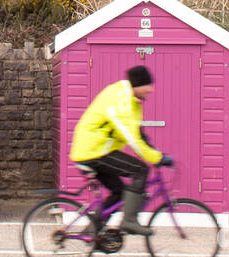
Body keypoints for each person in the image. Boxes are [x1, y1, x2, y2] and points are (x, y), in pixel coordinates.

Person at [68, 64, 173, 236]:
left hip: (93, 150)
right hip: (94, 151)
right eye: (148, 86)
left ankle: (92, 231)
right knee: (140, 170)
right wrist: (158, 159)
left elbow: (138, 133)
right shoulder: (122, 101)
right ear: (138, 85)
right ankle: (129, 221)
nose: (151, 90)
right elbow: (133, 139)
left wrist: (157, 152)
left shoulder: (131, 99)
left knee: (119, 191)